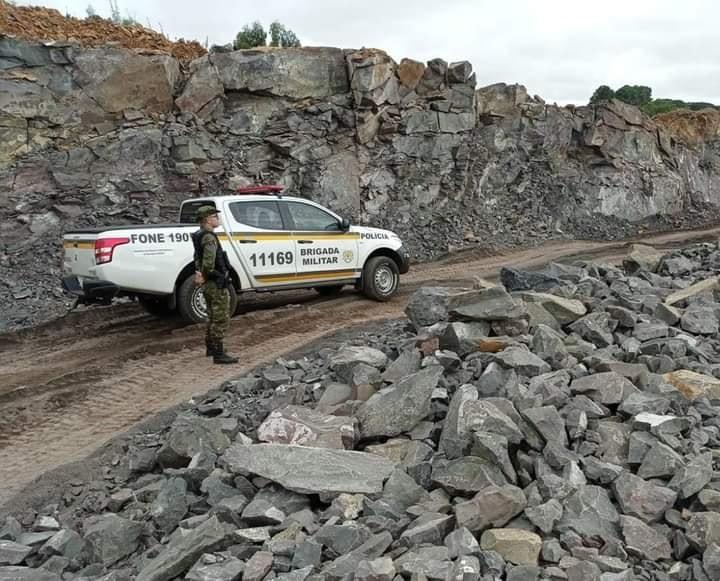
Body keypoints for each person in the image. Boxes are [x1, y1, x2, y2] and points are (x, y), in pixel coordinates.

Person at [192, 205, 238, 364]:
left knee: (212, 315)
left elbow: (197, 257)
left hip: (209, 284)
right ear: (207, 219)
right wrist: (207, 275)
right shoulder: (209, 237)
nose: (217, 219)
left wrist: (200, 274)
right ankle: (218, 354)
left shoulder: (199, 235)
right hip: (215, 283)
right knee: (220, 318)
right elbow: (208, 262)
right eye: (215, 217)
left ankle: (211, 348)